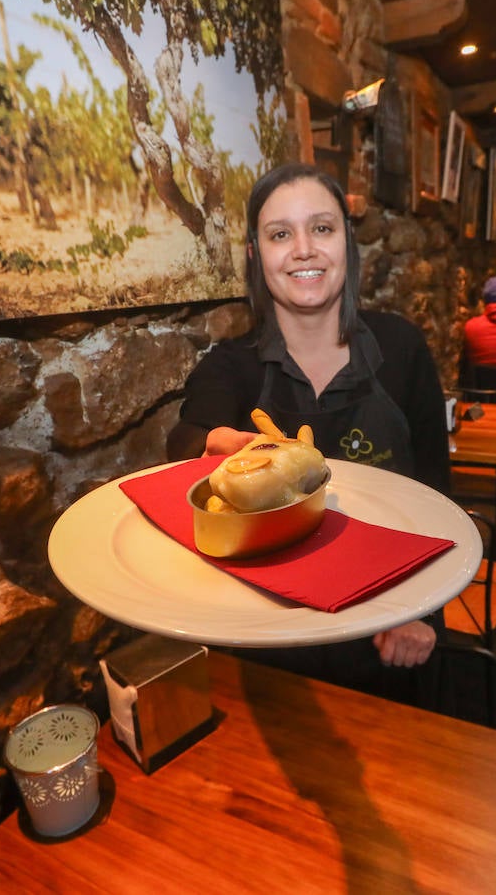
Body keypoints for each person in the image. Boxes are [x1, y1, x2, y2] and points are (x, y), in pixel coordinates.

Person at [166, 162, 449, 694]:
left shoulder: (403, 349)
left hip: (388, 637)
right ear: (256, 253)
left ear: (347, 240)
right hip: (268, 646)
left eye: (321, 228)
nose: (303, 249)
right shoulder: (230, 367)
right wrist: (206, 446)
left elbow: (438, 496)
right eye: (280, 234)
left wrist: (422, 612)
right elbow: (183, 439)